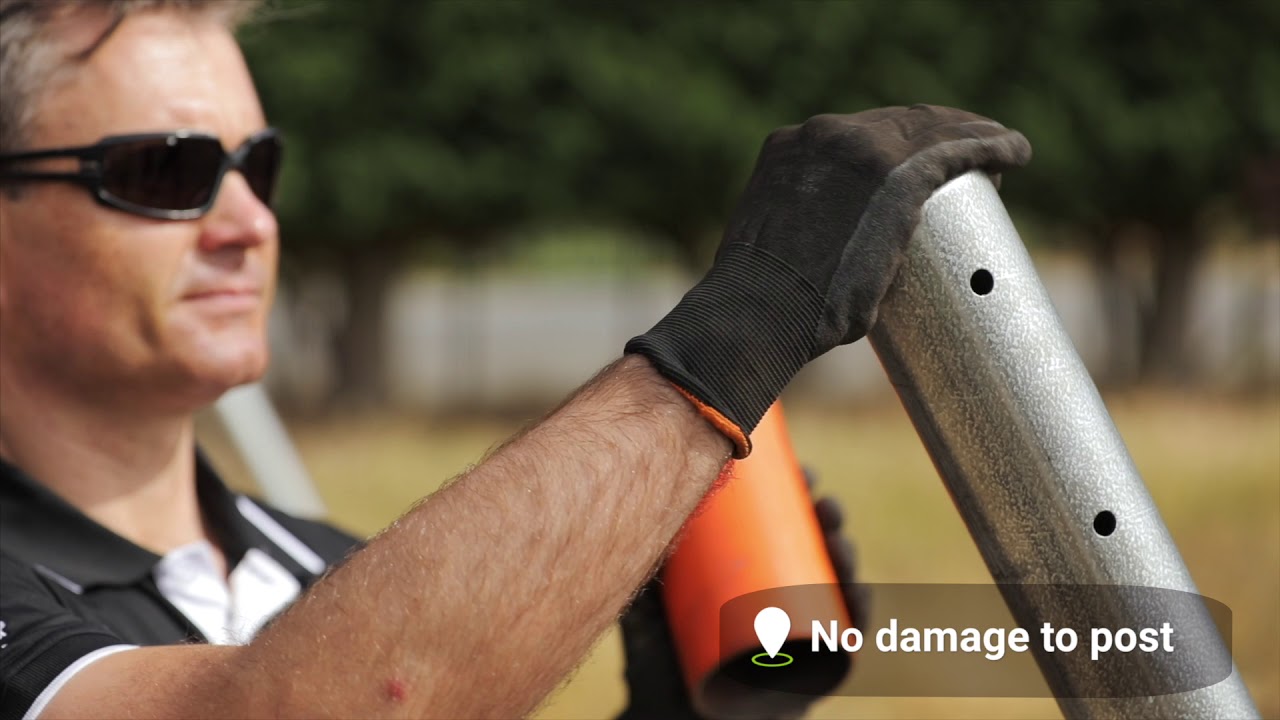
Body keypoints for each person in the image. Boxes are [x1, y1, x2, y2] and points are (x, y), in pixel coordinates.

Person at [0, 1, 1031, 718]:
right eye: (164, 170)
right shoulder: (332, 643)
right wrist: (745, 322)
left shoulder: (334, 573)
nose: (248, 223)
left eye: (254, 165)